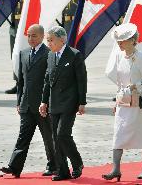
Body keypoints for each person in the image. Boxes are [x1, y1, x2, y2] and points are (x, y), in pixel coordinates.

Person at [0, 24, 56, 178]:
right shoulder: (23, 54)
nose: (31, 39)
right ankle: (14, 167)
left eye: (34, 36)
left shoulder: (49, 54)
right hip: (26, 105)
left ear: (42, 36)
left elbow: (51, 81)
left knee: (48, 138)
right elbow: (21, 82)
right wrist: (19, 102)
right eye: (29, 35)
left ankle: (53, 165)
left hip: (42, 106)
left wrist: (48, 102)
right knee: (23, 137)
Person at [102, 23, 142, 181]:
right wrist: (116, 101)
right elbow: (119, 82)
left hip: (138, 104)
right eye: (118, 41)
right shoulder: (119, 56)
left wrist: (136, 86)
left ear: (133, 40)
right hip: (123, 103)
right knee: (118, 135)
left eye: (123, 40)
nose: (120, 43)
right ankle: (116, 169)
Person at [39, 26, 87, 181]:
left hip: (69, 102)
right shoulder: (50, 56)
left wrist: (82, 102)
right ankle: (62, 170)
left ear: (62, 39)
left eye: (51, 40)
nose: (49, 43)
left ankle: (77, 163)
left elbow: (81, 80)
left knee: (62, 134)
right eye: (48, 40)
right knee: (55, 138)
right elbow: (47, 81)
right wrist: (44, 101)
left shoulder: (74, 55)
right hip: (54, 103)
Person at [5, 0, 24, 94]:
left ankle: (25, 84)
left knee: (25, 55)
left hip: (26, 24)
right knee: (14, 54)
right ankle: (18, 83)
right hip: (15, 23)